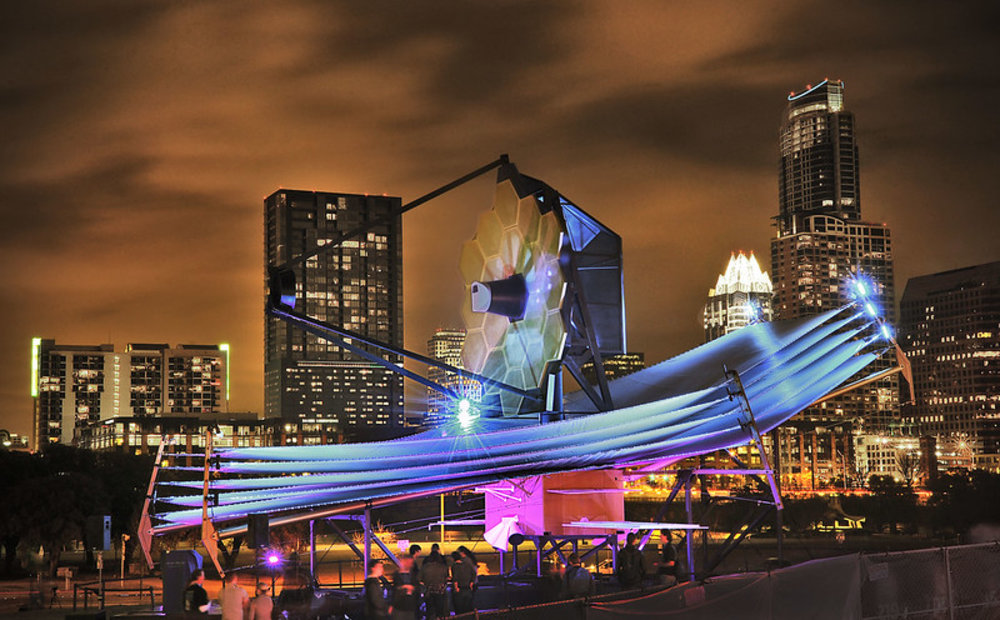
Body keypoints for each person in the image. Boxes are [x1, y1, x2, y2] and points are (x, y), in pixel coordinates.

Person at [420, 545, 450, 619]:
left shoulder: (426, 564)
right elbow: (447, 576)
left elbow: (420, 578)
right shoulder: (443, 563)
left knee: (430, 611)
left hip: (429, 591)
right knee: (440, 611)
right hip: (440, 590)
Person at [391, 555, 419, 620]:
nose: (410, 565)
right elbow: (395, 590)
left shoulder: (413, 576)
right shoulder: (397, 576)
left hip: (411, 607)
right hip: (399, 607)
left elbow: (418, 588)